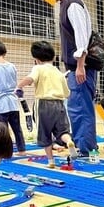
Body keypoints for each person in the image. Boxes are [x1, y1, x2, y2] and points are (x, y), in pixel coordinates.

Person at [44, 0, 98, 157]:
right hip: (75, 68)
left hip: (80, 68)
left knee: (81, 109)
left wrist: (80, 65)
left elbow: (82, 36)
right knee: (78, 108)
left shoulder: (72, 3)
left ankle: (86, 149)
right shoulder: (65, 3)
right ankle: (86, 146)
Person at [16, 40, 77, 168]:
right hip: (59, 104)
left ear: (36, 59)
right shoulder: (58, 72)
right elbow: (67, 93)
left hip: (43, 104)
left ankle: (51, 161)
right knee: (63, 131)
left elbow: (30, 79)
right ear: (53, 57)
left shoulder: (38, 68)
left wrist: (19, 86)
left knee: (45, 133)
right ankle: (69, 141)